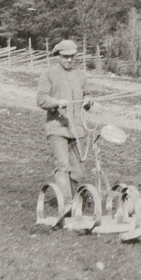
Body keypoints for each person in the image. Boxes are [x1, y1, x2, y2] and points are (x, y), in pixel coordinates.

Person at [35, 39, 96, 210]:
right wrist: (56, 102)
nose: (69, 60)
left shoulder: (80, 75)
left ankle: (72, 199)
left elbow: (88, 96)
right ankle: (67, 204)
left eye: (72, 57)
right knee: (63, 165)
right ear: (58, 56)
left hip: (77, 129)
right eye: (65, 57)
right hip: (57, 127)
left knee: (78, 171)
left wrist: (88, 101)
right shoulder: (49, 74)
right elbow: (40, 99)